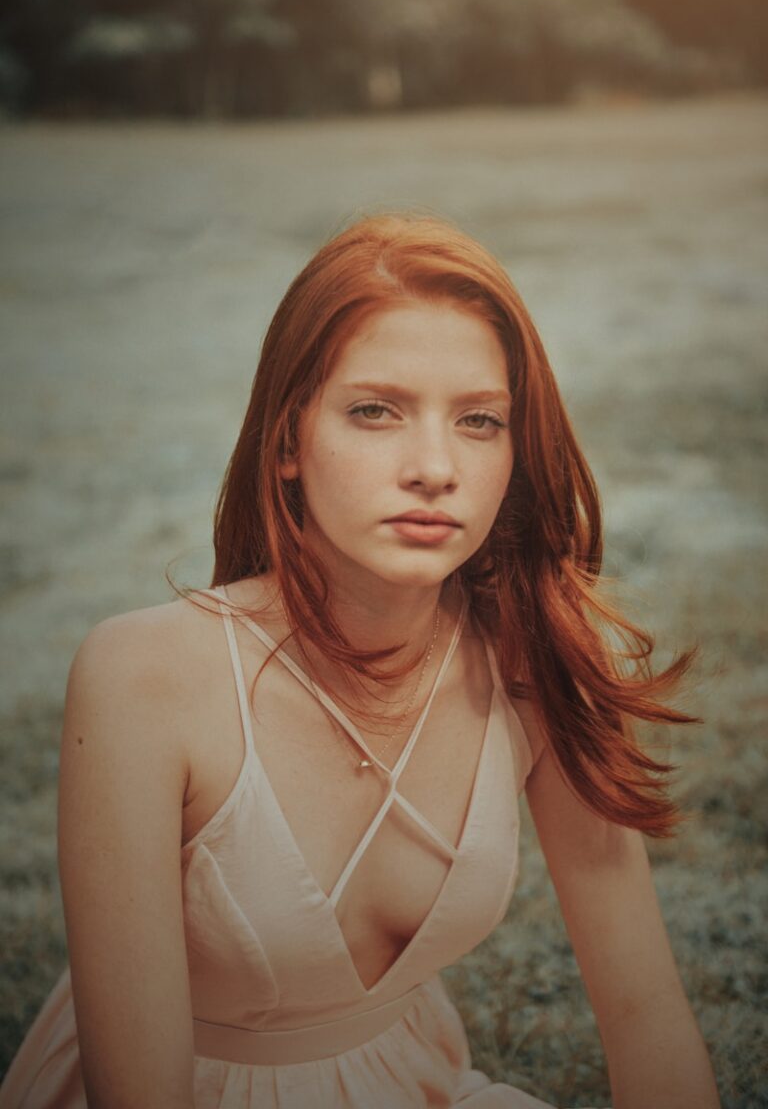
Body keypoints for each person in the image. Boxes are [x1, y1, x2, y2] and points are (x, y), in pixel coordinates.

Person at [0, 212, 720, 1109]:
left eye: (479, 420)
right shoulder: (143, 679)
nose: (433, 467)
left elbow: (646, 1011)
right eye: (375, 411)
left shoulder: (536, 658)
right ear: (289, 441)